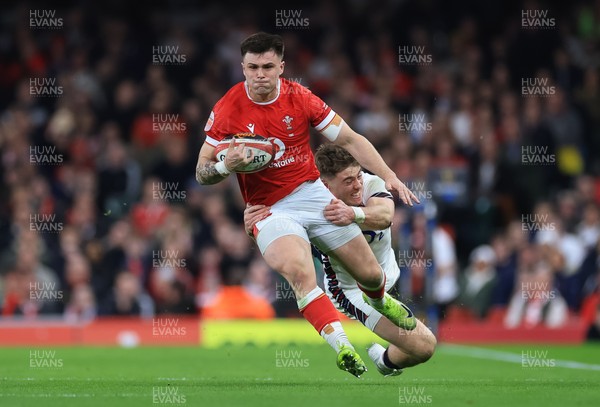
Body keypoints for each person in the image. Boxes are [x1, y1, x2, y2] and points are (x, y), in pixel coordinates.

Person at [195, 32, 419, 377]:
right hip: (268, 210)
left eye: (268, 66)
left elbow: (348, 138)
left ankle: (380, 301)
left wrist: (388, 175)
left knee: (371, 274)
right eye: (252, 67)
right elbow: (201, 171)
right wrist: (227, 166)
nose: (260, 74)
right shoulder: (227, 107)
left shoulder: (300, 98)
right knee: (301, 274)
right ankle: (343, 346)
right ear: (242, 67)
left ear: (281, 67)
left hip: (313, 193)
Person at [245, 144, 436, 376]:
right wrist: (257, 227)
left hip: (387, 276)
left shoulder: (370, 184)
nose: (357, 185)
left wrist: (352, 214)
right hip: (352, 290)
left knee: (421, 349)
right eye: (347, 181)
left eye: (357, 176)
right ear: (325, 186)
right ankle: (369, 354)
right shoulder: (310, 203)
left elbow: (385, 216)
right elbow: (282, 240)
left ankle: (384, 360)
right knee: (426, 346)